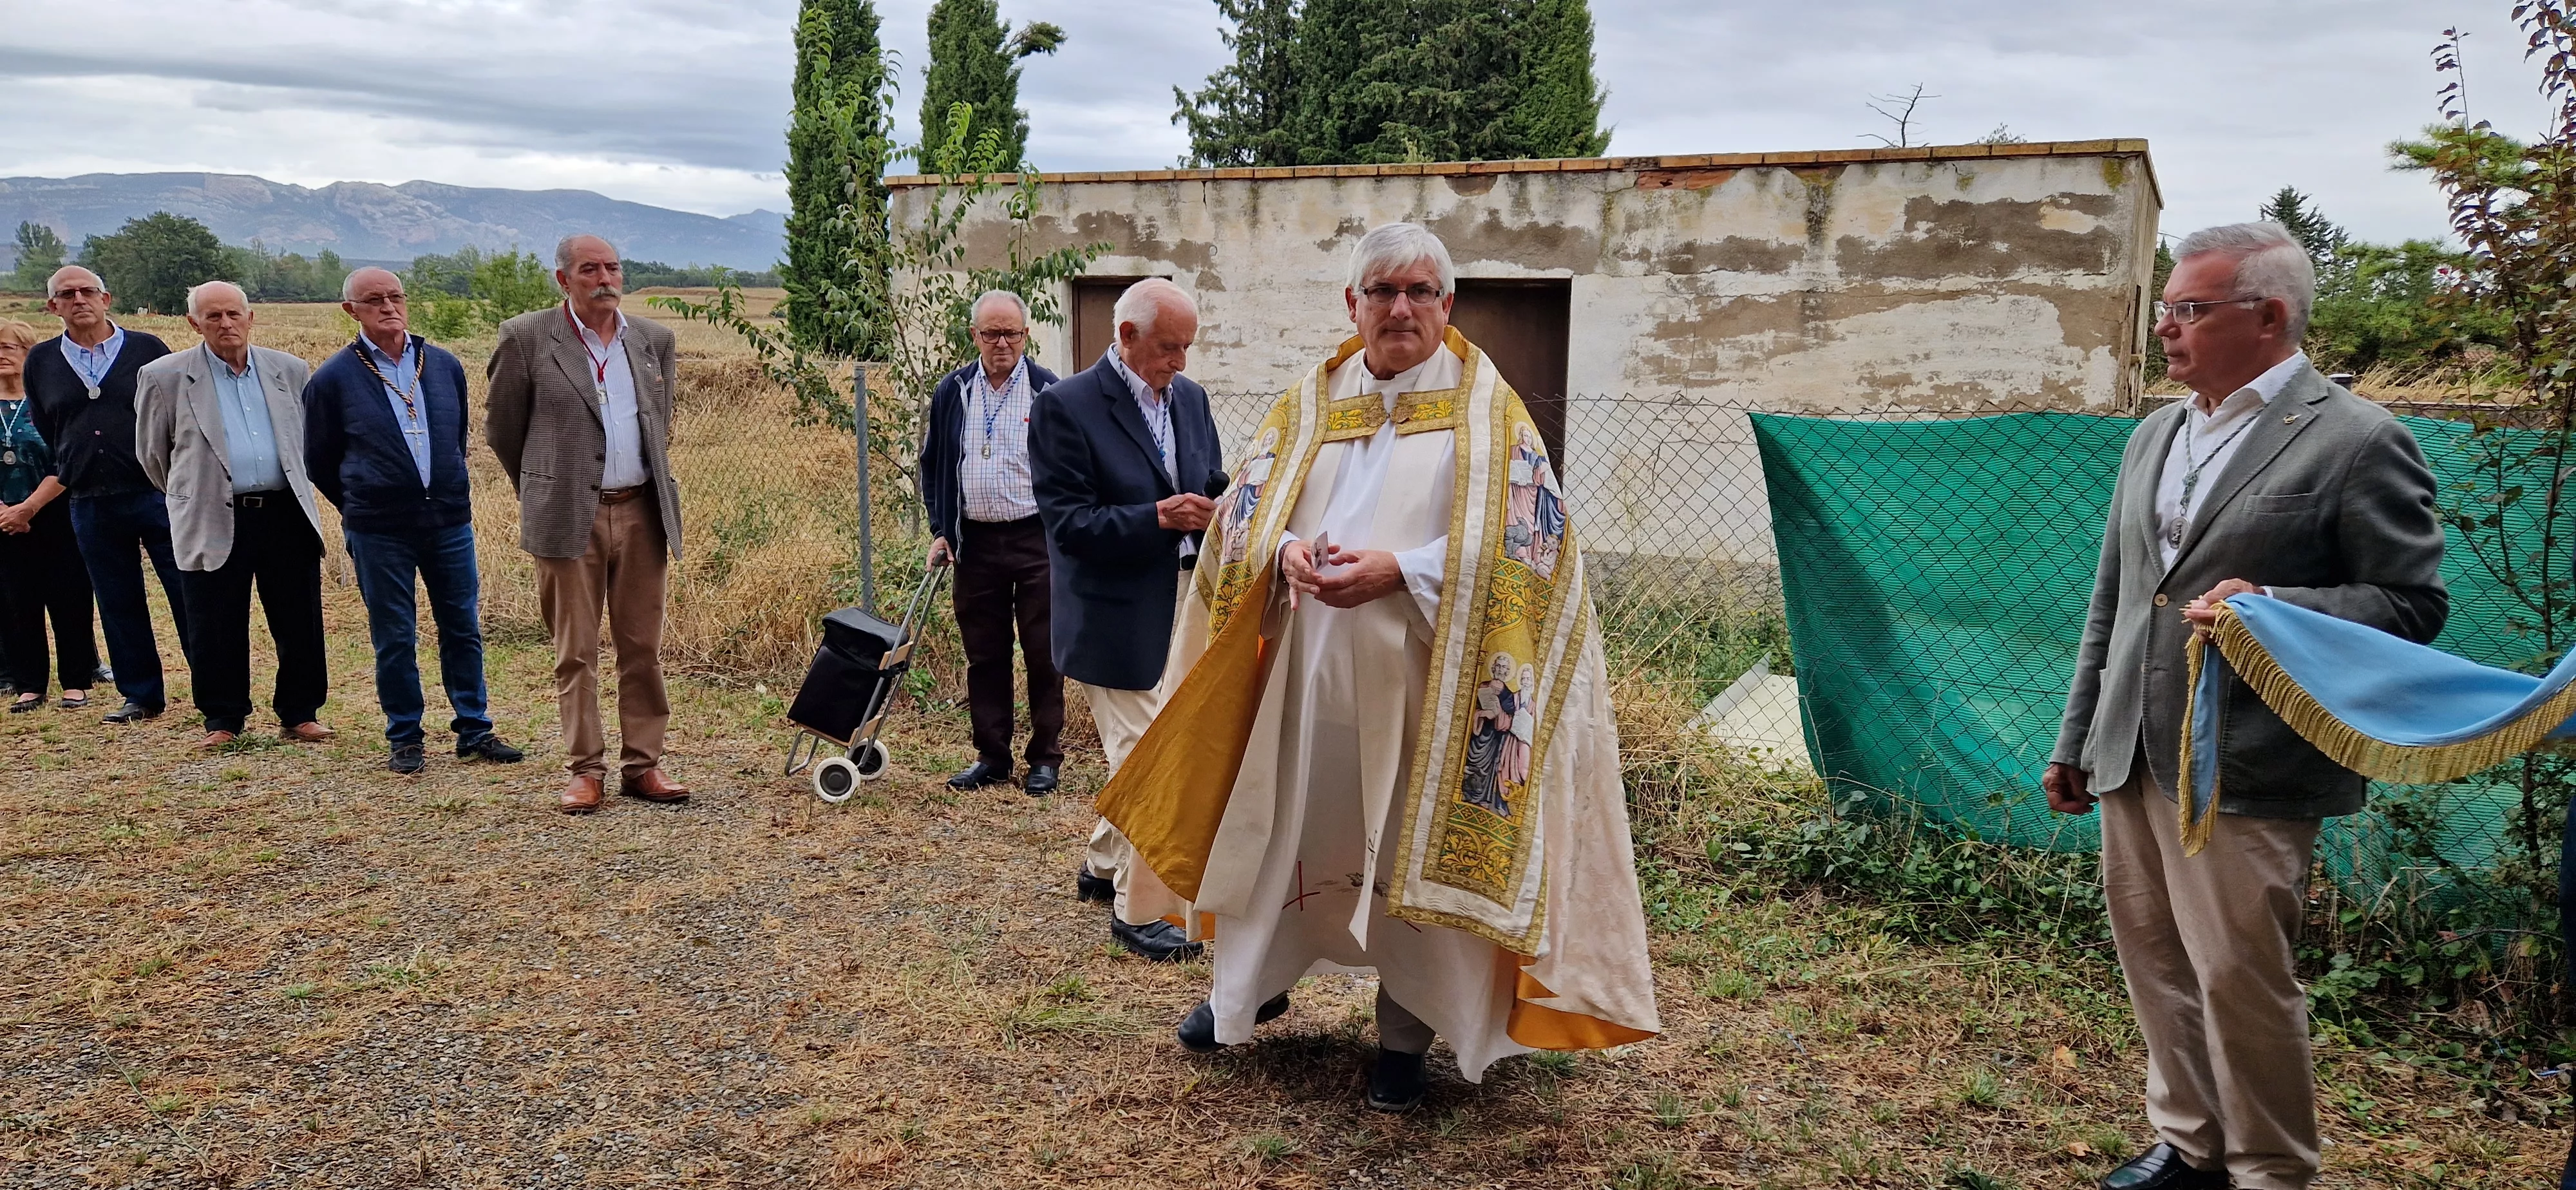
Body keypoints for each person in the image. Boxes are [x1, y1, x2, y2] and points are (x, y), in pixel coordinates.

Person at [1092, 223, 1660, 1113]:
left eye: (1421, 292)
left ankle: (1405, 1039)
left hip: (1428, 702)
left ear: (1448, 306)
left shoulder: (1489, 414)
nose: (1402, 308)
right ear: (1351, 305)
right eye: (1383, 291)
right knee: (1279, 839)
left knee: (1405, 863)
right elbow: (1240, 514)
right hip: (1302, 697)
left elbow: (1535, 555)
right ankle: (1243, 995)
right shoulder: (1311, 402)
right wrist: (1281, 552)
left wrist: (1405, 570)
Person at [2046, 222, 2447, 1190]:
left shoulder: (2358, 440)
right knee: (2156, 962)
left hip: (2251, 759)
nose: (2165, 332)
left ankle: (2271, 1170)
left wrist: (2279, 609)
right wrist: (2077, 736)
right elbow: (2117, 599)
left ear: (2267, 318)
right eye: (2166, 310)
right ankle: (2190, 1145)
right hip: (2133, 750)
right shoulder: (2156, 432)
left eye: (2188, 310)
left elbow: (2413, 603)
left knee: (2241, 979)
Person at [1028, 277, 1227, 961]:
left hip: (1181, 604)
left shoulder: (1193, 400)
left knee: (1155, 745)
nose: (1180, 362)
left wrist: (1217, 508)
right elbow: (1068, 524)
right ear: (1126, 336)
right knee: (1152, 758)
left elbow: (1212, 477)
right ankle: (1137, 909)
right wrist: (1156, 517)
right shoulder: (1065, 406)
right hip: (1108, 616)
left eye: (1187, 348)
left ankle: (1102, 864)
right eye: (1169, 348)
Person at [486, 234, 688, 815]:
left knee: (642, 647)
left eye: (613, 267)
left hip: (643, 511)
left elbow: (659, 425)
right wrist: (546, 490)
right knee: (575, 651)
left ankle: (643, 766)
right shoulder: (526, 337)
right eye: (590, 269)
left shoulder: (653, 340)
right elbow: (504, 431)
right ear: (563, 279)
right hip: (566, 515)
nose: (605, 278)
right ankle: (585, 770)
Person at [305, 267, 524, 774]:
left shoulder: (442, 365)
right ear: (351, 311)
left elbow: (457, 439)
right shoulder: (332, 379)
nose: (388, 307)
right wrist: (365, 502)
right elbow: (319, 459)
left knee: (462, 628)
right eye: (374, 300)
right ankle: (405, 736)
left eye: (396, 296)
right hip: (379, 529)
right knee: (396, 635)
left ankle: (475, 729)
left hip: (448, 523)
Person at [133, 282, 331, 748]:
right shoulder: (164, 376)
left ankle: (300, 712)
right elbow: (152, 456)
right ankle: (223, 719)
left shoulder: (290, 370)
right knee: (214, 619)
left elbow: (306, 439)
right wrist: (195, 493)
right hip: (212, 514)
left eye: (233, 314)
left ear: (250, 317)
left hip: (285, 512)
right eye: (213, 316)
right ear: (193, 323)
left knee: (298, 616)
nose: (226, 324)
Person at [918, 289, 1065, 796]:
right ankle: (992, 756)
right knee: (985, 654)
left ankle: (1045, 758)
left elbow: (1070, 469)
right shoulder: (953, 390)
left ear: (1026, 335)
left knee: (1044, 652)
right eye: (991, 333)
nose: (1001, 342)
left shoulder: (1050, 391)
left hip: (1036, 540)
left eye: (1011, 333)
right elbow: (934, 464)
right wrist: (941, 527)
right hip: (973, 544)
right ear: (974, 335)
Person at [24, 266, 183, 723]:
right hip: (89, 498)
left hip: (155, 491)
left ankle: (216, 692)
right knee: (117, 600)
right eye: (66, 294)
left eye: (87, 291)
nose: (79, 300)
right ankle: (141, 695)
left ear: (106, 298)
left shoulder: (148, 349)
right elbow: (47, 426)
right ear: (53, 307)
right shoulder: (42, 361)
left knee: (187, 591)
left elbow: (177, 411)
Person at [0, 317, 98, 713]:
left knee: (69, 597)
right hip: (3, 521)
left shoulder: (47, 401)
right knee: (15, 602)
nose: (2, 355)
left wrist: (29, 507)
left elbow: (68, 457)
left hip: (56, 513)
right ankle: (29, 685)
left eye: (10, 347)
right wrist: (7, 512)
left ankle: (75, 682)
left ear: (29, 354)